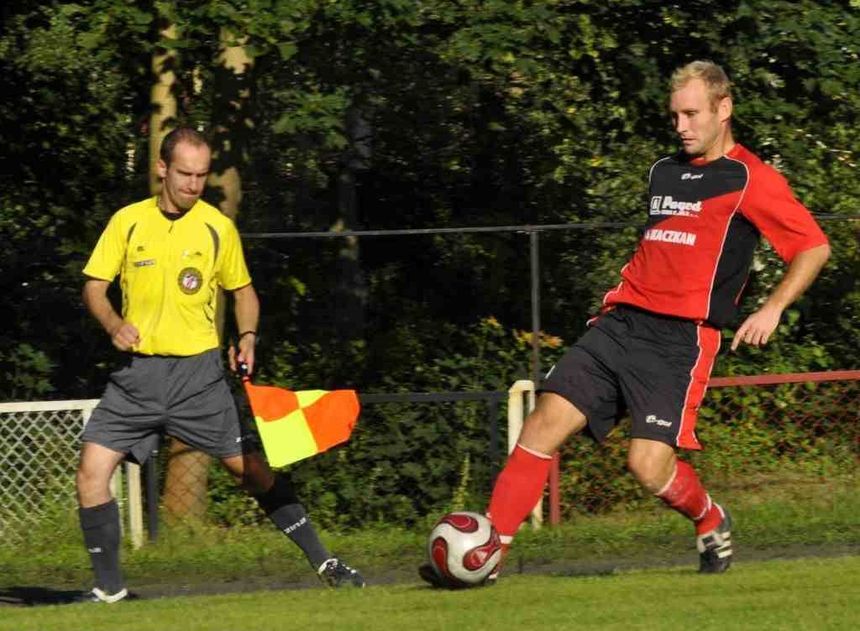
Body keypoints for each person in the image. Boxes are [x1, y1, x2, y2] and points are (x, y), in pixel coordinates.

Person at [423, 60, 831, 585]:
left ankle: (709, 517)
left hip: (678, 342)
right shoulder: (662, 170)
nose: (681, 126)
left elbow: (813, 247)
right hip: (618, 325)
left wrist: (772, 307)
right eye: (675, 116)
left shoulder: (753, 179)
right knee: (541, 427)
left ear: (723, 110)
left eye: (692, 114)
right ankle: (488, 557)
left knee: (646, 465)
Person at [77, 127, 365, 603]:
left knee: (252, 472)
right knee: (90, 472)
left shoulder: (216, 227)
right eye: (185, 174)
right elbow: (93, 288)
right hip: (137, 379)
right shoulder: (127, 222)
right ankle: (108, 591)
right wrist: (112, 324)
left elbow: (244, 292)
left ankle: (325, 561)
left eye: (202, 175)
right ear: (162, 169)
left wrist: (247, 336)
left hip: (199, 378)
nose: (193, 184)